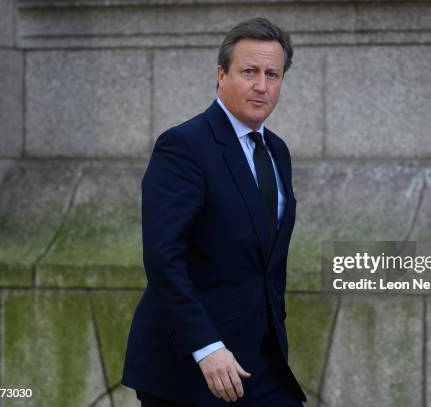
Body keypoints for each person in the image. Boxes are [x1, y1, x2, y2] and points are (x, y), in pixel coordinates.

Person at [121, 17, 307, 407]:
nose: (262, 85)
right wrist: (206, 347)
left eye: (273, 74)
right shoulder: (184, 146)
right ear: (221, 75)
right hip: (190, 370)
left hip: (262, 365)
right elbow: (163, 255)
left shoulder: (277, 152)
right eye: (249, 71)